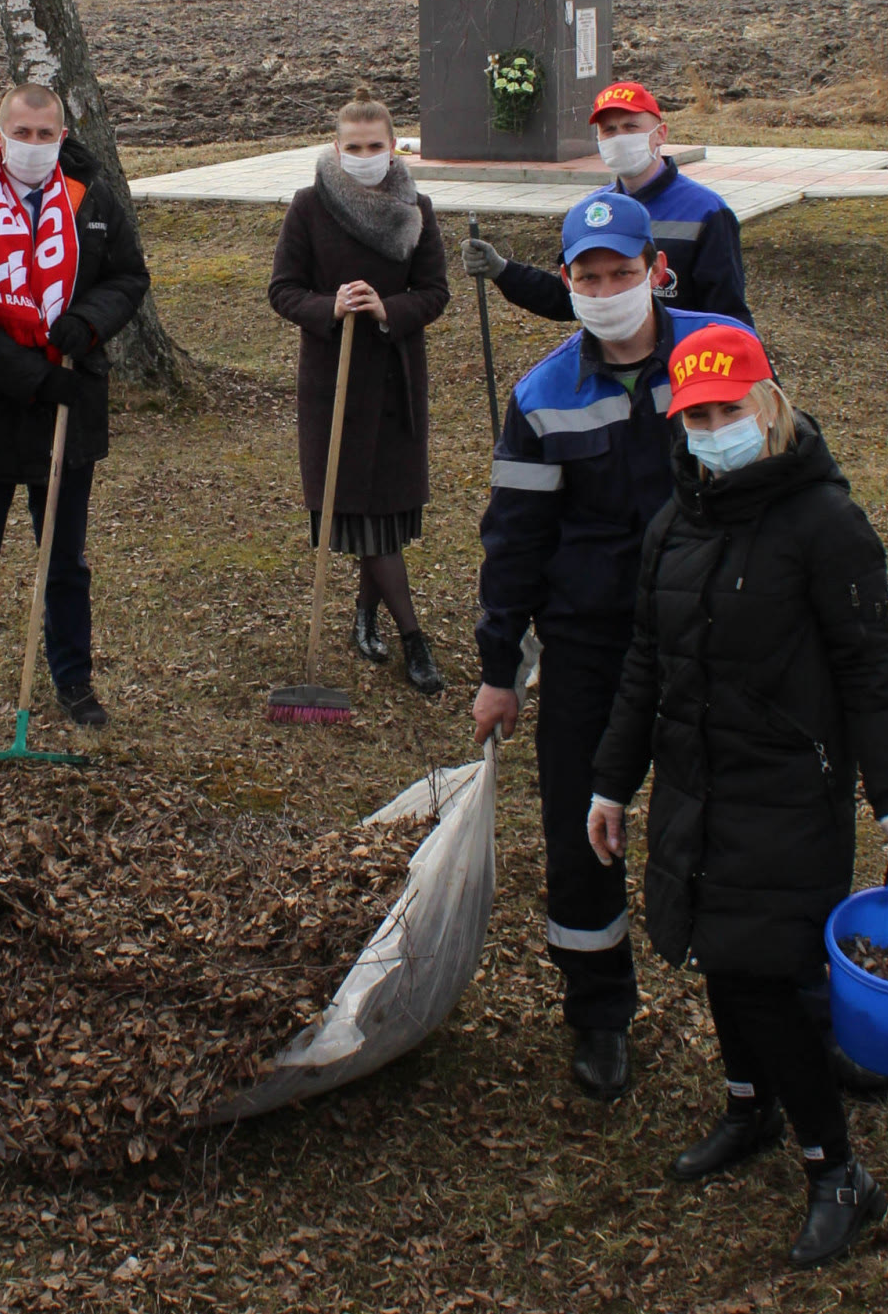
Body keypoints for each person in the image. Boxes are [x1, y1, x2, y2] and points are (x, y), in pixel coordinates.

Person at [588, 324, 888, 1267]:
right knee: (712, 949)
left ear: (768, 405)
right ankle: (749, 1107)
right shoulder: (675, 523)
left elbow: (872, 668)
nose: (711, 427)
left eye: (727, 409)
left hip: (789, 788)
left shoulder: (826, 525)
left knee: (763, 973)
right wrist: (612, 782)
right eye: (696, 415)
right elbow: (645, 665)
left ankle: (838, 1171)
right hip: (699, 781)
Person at [471, 190, 751, 1098]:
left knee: (737, 819)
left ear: (654, 272)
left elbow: (779, 470)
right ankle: (598, 1011)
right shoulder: (543, 393)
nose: (605, 287)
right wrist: (497, 667)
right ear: (567, 282)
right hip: (592, 639)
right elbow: (513, 539)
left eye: (621, 272)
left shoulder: (715, 349)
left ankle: (769, 1005)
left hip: (712, 626)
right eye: (587, 275)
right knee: (577, 824)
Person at [0, 82, 150, 747]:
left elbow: (129, 277)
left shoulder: (92, 194)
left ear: (63, 137)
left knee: (65, 558)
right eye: (21, 134)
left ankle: (73, 680)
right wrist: (33, 378)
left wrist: (87, 322)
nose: (33, 146)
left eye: (45, 135)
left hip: (68, 401)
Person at [268, 88, 451, 691]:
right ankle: (412, 638)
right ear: (336, 148)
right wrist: (332, 305)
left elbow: (434, 292)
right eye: (354, 147)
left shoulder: (416, 206)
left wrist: (387, 308)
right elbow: (283, 289)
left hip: (395, 378)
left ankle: (365, 615)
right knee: (362, 510)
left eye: (376, 146)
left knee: (387, 514)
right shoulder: (309, 206)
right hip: (335, 385)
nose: (365, 155)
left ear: (393, 147)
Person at [461, 79, 751, 325]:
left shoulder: (706, 212)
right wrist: (504, 271)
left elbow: (727, 314)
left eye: (631, 126)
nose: (620, 137)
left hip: (683, 366)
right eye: (609, 130)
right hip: (612, 364)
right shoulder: (591, 213)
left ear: (660, 133)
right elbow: (568, 298)